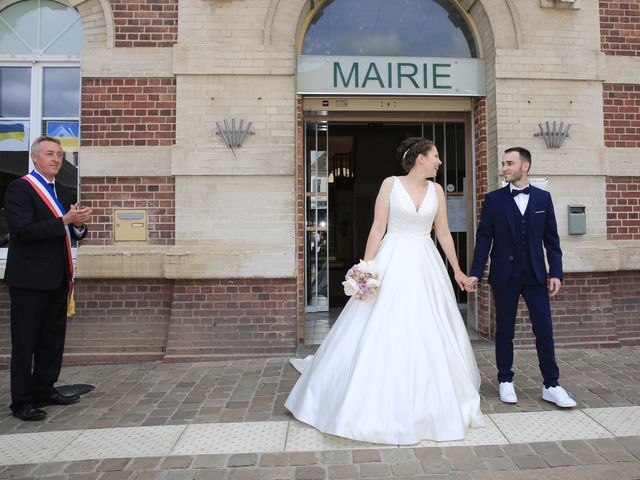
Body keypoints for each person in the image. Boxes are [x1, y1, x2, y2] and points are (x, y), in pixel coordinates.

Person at [285, 138, 484, 445]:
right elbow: (378, 228)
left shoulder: (438, 191)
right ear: (419, 158)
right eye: (435, 156)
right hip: (392, 257)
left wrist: (457, 270)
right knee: (382, 320)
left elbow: (443, 233)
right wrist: (367, 266)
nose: (439, 162)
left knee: (428, 321)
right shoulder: (390, 184)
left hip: (425, 261)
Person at [466, 147, 576, 408]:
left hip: (536, 275)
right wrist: (475, 272)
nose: (504, 168)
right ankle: (505, 380)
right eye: (503, 163)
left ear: (525, 166)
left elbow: (552, 240)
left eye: (509, 163)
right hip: (505, 275)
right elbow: (484, 240)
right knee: (505, 331)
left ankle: (552, 384)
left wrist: (556, 272)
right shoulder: (493, 200)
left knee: (544, 331)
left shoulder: (543, 199)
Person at [4, 136, 92, 421]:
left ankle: (44, 387)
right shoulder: (20, 189)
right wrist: (65, 221)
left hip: (57, 277)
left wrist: (78, 226)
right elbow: (23, 233)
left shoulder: (64, 190)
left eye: (59, 155)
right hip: (28, 280)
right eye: (49, 154)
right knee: (26, 341)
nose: (56, 159)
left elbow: (70, 233)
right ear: (35, 158)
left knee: (52, 339)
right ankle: (21, 401)